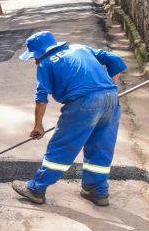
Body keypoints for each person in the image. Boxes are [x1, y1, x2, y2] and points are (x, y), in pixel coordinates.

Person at [12, 31, 127, 207]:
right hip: (111, 98)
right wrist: (110, 86)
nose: (34, 61)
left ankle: (36, 189)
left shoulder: (46, 64)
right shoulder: (80, 48)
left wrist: (38, 126)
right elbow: (115, 60)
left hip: (84, 103)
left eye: (34, 57)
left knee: (62, 146)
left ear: (41, 53)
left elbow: (41, 98)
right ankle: (97, 191)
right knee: (101, 147)